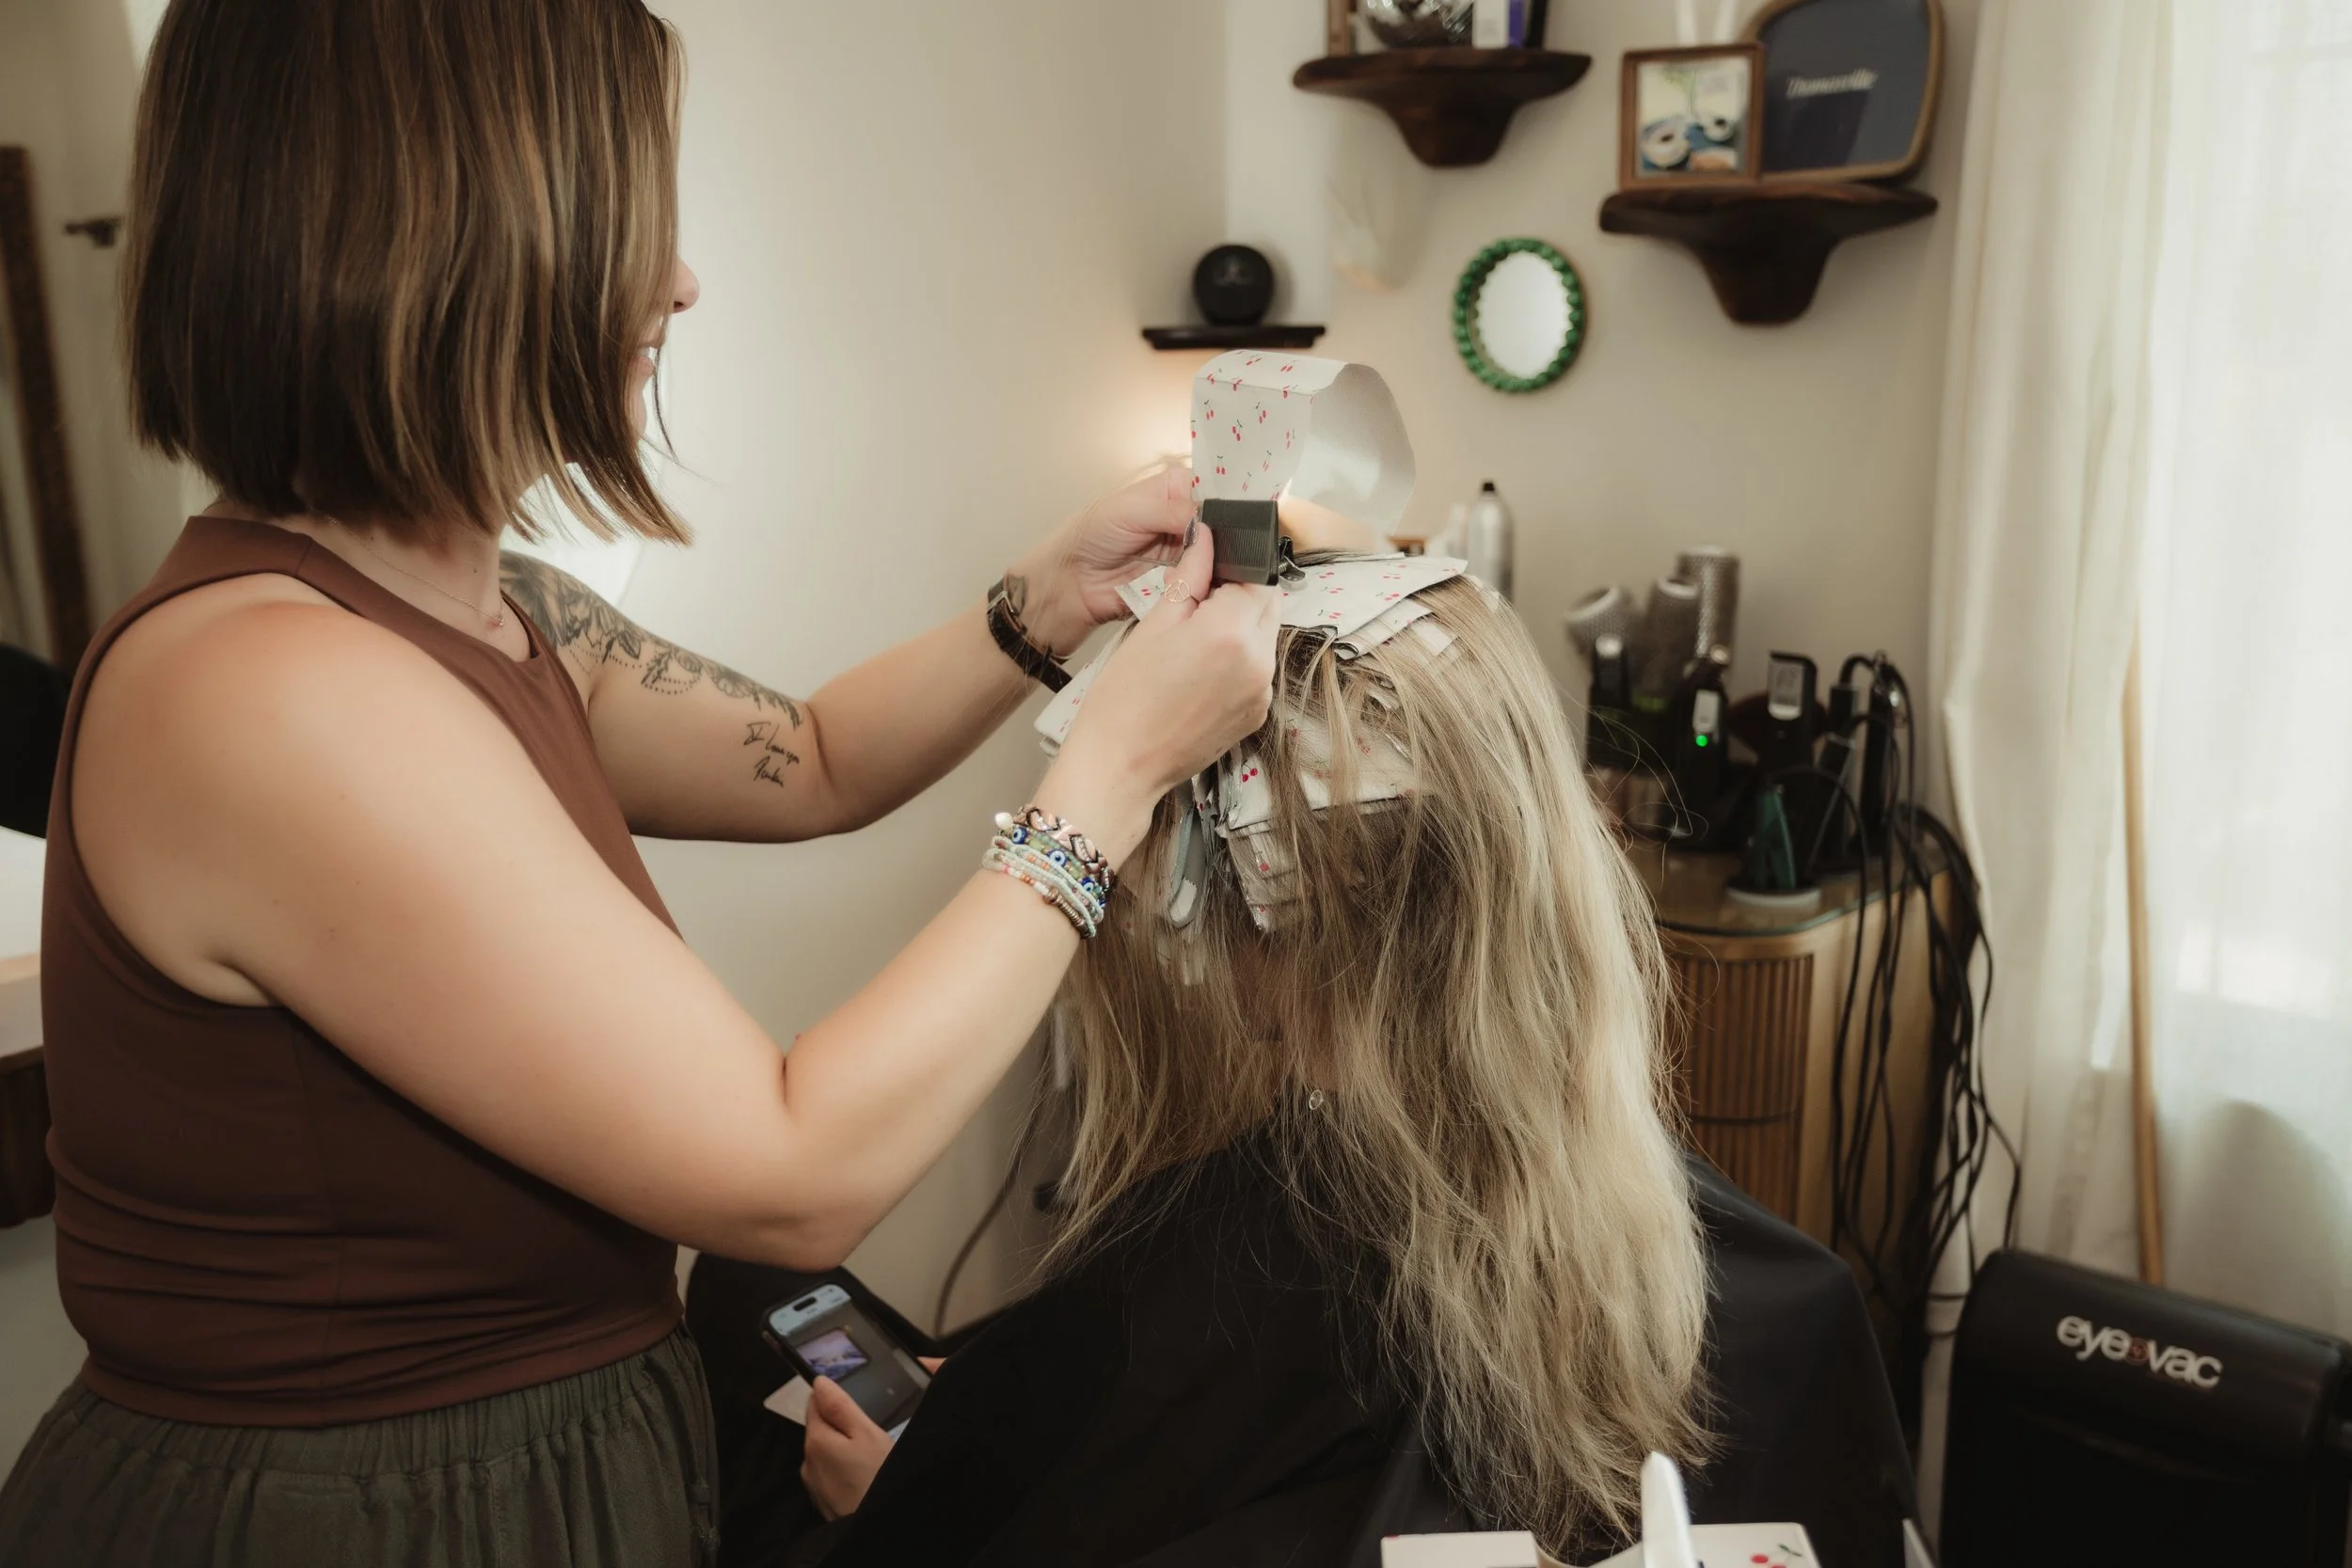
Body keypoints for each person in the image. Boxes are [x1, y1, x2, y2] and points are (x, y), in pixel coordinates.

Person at [0, 2, 1278, 1564]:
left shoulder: (482, 599)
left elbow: (808, 758)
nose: (678, 280)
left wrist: (1046, 601)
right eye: (634, 214)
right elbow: (793, 1167)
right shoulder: (271, 692)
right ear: (458, 227)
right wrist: (1117, 771)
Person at [789, 565, 1716, 1567]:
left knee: (742, 1284)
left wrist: (906, 1500)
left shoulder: (1191, 1294)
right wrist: (992, 1402)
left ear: (1259, 924)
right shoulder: (1630, 1214)